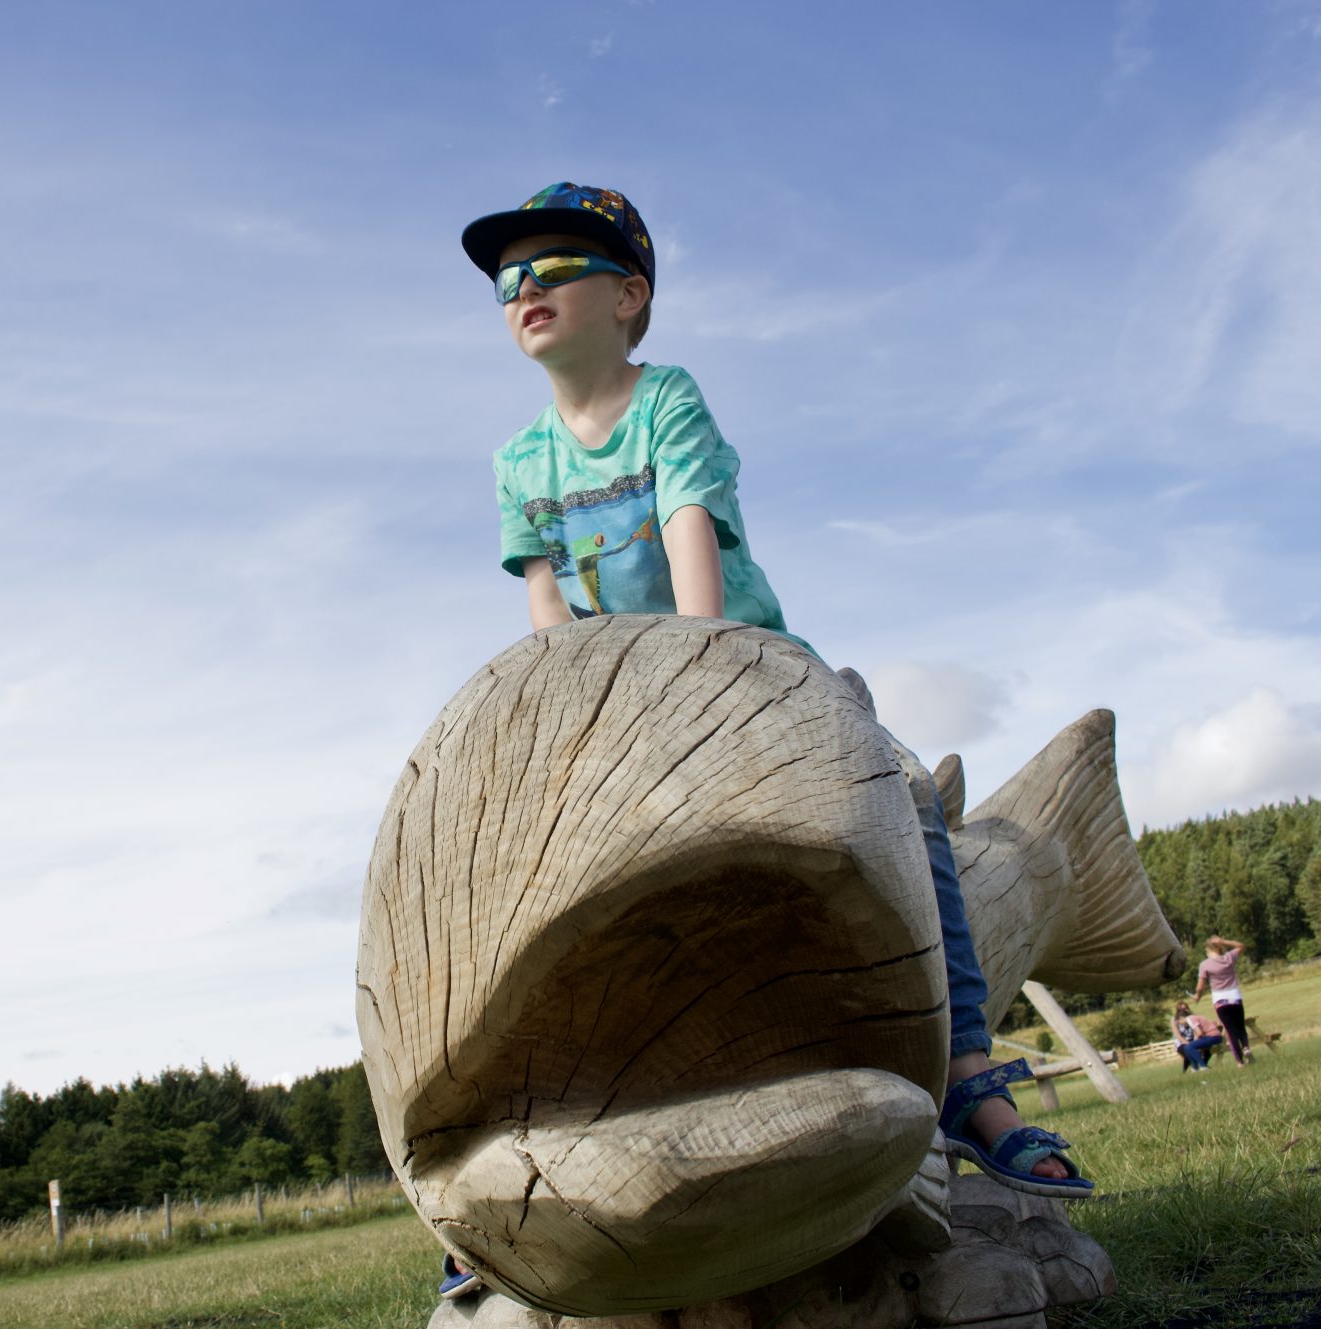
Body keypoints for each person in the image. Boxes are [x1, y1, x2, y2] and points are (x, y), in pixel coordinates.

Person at [459, 182, 1091, 1217]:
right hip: (618, 704)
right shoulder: (517, 460)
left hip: (746, 670)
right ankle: (525, 1164)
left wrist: (709, 673)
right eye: (507, 280)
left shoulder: (666, 399)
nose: (523, 289)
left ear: (629, 296)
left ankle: (968, 1078)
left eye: (554, 269)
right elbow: (547, 610)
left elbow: (688, 526)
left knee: (901, 790)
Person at [1192, 935, 1254, 1065]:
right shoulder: (1229, 957)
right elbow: (1241, 945)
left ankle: (1240, 1062)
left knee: (1231, 1032)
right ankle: (1246, 1048)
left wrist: (1197, 996)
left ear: (1208, 951)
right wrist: (1224, 941)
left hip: (1220, 1001)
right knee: (1240, 1027)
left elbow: (1200, 986)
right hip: (1235, 997)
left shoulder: (1205, 964)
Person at [1171, 1001, 1223, 1072]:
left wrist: (1194, 1042)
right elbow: (1178, 1036)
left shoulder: (1190, 1018)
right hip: (1182, 1042)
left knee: (1191, 1048)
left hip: (1210, 1036)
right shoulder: (1175, 1020)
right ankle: (1193, 1068)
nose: (1185, 1010)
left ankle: (1203, 1066)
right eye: (1182, 1009)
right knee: (1188, 1048)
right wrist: (1191, 1043)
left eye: (1186, 1008)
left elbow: (1198, 1033)